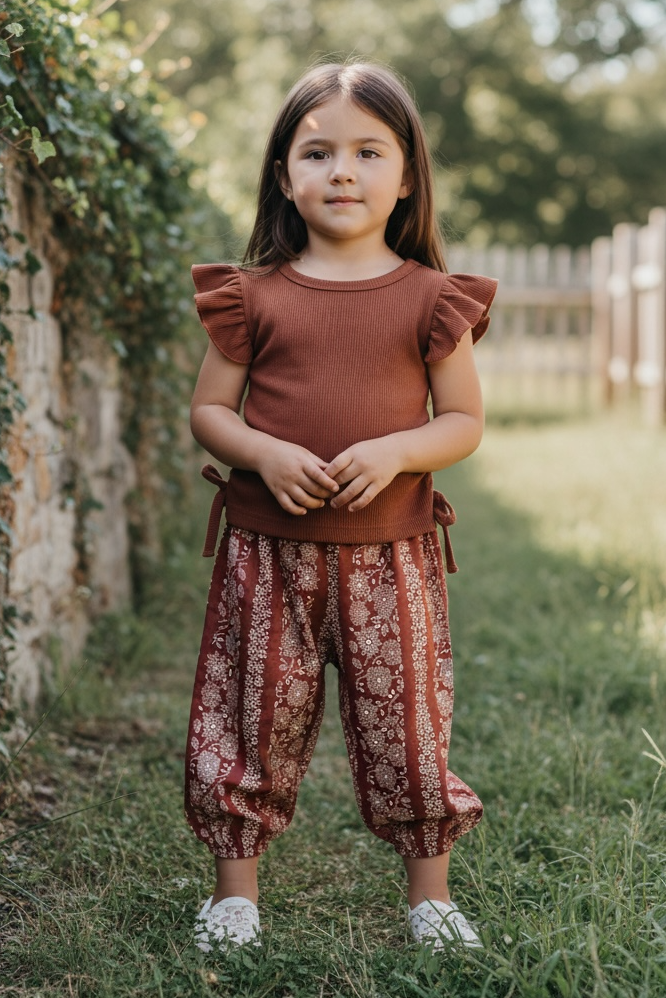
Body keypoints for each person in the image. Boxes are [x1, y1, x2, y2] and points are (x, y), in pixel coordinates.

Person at [184, 59, 497, 955]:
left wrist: (401, 450)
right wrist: (264, 452)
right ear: (285, 172)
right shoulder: (253, 295)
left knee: (407, 725)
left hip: (393, 553)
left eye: (369, 151)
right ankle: (234, 897)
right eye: (317, 152)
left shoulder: (435, 300)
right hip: (265, 550)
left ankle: (429, 901)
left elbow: (465, 421)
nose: (343, 172)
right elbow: (209, 410)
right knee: (250, 716)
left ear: (407, 177)